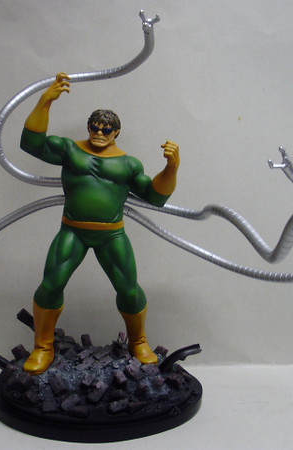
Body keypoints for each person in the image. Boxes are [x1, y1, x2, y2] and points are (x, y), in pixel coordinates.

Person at [20, 73, 180, 375]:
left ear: (116, 132)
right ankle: (43, 346)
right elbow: (32, 144)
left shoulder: (128, 163)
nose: (99, 132)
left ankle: (139, 341)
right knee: (51, 284)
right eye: (94, 127)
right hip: (73, 231)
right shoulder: (70, 150)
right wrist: (45, 102)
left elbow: (155, 196)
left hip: (111, 235)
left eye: (106, 129)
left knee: (129, 289)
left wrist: (171, 167)